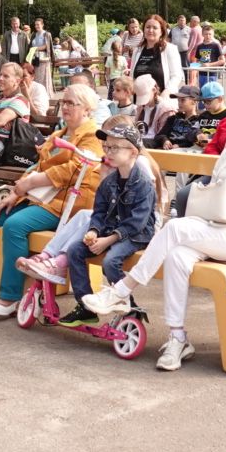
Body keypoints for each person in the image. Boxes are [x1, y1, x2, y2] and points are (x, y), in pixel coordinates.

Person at [83, 95, 226, 371]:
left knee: (174, 227)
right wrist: (218, 205)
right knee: (178, 256)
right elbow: (216, 188)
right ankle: (177, 337)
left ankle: (121, 289)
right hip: (224, 228)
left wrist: (224, 205)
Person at [0, 84, 104, 317]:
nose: (64, 107)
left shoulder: (92, 135)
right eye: (63, 102)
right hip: (42, 197)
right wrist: (16, 192)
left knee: (14, 226)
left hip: (68, 204)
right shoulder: (59, 134)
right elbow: (38, 166)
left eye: (71, 103)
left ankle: (9, 297)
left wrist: (31, 183)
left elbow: (74, 169)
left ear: (86, 109)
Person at [53, 122, 159, 325]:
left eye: (115, 147)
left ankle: (129, 305)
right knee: (75, 250)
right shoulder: (109, 182)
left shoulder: (144, 184)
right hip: (110, 232)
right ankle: (85, 306)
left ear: (133, 152)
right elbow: (99, 213)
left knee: (111, 261)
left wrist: (107, 240)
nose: (108, 152)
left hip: (137, 235)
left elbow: (136, 223)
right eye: (107, 146)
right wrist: (94, 231)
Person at [128, 13, 185, 97]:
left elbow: (177, 76)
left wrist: (167, 92)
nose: (150, 30)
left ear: (161, 31)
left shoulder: (170, 49)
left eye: (155, 28)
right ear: (143, 30)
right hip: (140, 102)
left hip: (162, 101)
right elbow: (132, 76)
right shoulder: (137, 50)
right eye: (147, 27)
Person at [28, 17, 54, 94]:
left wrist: (35, 49)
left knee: (43, 78)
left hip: (43, 59)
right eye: (35, 25)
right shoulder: (34, 34)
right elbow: (30, 45)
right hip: (35, 59)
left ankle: (46, 94)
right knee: (36, 78)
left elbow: (46, 46)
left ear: (42, 25)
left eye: (38, 24)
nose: (36, 26)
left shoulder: (46, 34)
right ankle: (37, 94)